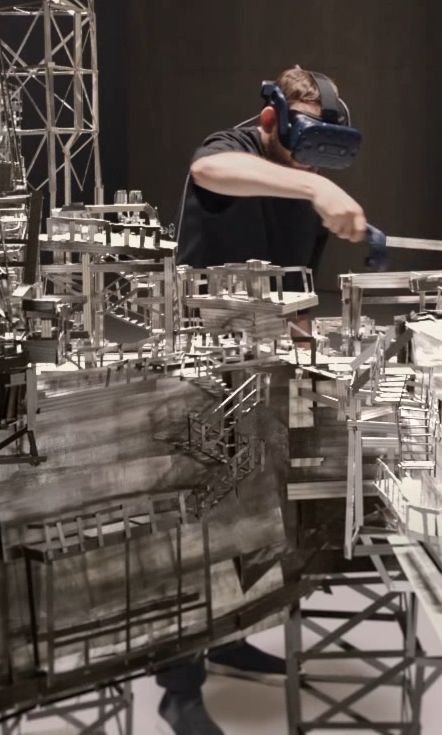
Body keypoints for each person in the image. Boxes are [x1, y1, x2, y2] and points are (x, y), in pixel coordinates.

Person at [156, 66, 368, 735]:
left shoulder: (305, 180)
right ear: (273, 120)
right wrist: (315, 185)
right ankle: (179, 688)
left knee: (257, 510)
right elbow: (209, 171)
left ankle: (230, 636)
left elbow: (298, 286)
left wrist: (311, 349)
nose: (310, 164)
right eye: (304, 145)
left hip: (266, 362)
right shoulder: (237, 149)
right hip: (202, 366)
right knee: (198, 520)